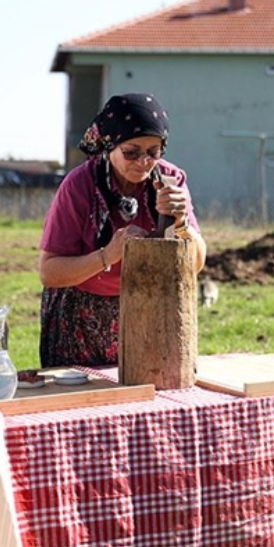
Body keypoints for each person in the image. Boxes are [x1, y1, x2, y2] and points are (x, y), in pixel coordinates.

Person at [37, 93, 207, 367]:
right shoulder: (79, 186)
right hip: (81, 314)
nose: (143, 162)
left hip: (148, 307)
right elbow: (49, 272)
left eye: (154, 152)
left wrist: (182, 224)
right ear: (108, 145)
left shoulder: (171, 180)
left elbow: (196, 264)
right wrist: (108, 255)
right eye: (131, 152)